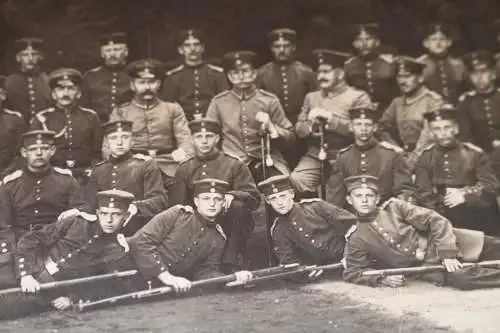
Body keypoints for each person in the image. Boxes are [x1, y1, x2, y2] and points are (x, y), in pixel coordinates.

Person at [343, 174, 500, 291]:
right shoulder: (356, 237)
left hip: (453, 242)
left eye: (369, 195)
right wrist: (382, 279)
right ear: (349, 200)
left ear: (377, 198)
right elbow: (354, 271)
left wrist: (447, 254)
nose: (364, 200)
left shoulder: (395, 207)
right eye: (358, 196)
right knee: (462, 279)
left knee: (495, 248)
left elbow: (436, 220)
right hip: (432, 267)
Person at [16, 189, 140, 310]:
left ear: (126, 215)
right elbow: (30, 239)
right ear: (97, 213)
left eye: (116, 214)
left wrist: (73, 298)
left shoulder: (117, 250)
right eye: (104, 213)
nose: (109, 220)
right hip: (27, 270)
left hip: (56, 292)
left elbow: (106, 285)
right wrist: (26, 274)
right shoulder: (76, 222)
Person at [129, 178, 253, 292]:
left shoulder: (218, 237)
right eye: (206, 198)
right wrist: (167, 277)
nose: (212, 204)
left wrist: (230, 279)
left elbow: (205, 271)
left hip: (157, 288)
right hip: (129, 271)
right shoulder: (177, 214)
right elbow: (140, 241)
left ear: (223, 203)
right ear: (196, 201)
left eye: (217, 199)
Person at [169, 118, 260, 270]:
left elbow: (254, 197)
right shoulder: (185, 168)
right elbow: (177, 204)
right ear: (192, 139)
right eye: (199, 137)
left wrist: (234, 195)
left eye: (209, 136)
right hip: (196, 223)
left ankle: (230, 261)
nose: (204, 141)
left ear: (217, 138)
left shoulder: (233, 164)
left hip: (227, 222)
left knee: (238, 207)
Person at [0, 130, 86, 287]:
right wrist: (16, 253)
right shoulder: (10, 184)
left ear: (52, 151)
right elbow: (4, 226)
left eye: (44, 148)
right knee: (6, 280)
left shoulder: (66, 180)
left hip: (54, 240)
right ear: (24, 152)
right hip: (20, 240)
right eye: (33, 149)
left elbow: (80, 212)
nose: (39, 153)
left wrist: (76, 212)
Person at [291, 49, 372, 198]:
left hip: (347, 154)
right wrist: (310, 124)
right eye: (319, 72)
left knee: (344, 191)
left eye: (326, 71)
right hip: (316, 154)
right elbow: (299, 130)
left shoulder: (358, 97)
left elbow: (361, 130)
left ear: (340, 74)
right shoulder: (311, 97)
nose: (321, 76)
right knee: (298, 179)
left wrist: (330, 118)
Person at [206, 51, 294, 183]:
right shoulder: (218, 102)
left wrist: (272, 127)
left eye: (245, 71)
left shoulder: (269, 100)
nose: (240, 76)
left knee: (281, 189)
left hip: (266, 161)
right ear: (229, 76)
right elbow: (208, 135)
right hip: (230, 163)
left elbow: (290, 137)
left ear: (255, 73)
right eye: (235, 72)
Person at [414, 105, 500, 235]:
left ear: (455, 129)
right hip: (443, 215)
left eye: (447, 127)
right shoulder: (426, 157)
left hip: (476, 214)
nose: (443, 133)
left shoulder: (474, 154)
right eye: (437, 128)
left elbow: (491, 185)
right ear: (431, 133)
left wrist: (465, 194)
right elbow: (423, 193)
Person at [109, 59, 194, 189]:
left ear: (159, 84)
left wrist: (183, 155)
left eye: (152, 82)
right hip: (132, 164)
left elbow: (185, 139)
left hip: (168, 164)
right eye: (142, 82)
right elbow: (110, 145)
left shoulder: (172, 108)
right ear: (132, 85)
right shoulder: (121, 111)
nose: (147, 87)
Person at [85, 120, 168, 235]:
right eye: (113, 138)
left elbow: (160, 201)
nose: (119, 142)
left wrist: (137, 207)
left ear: (132, 141)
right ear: (107, 143)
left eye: (125, 137)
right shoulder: (99, 169)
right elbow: (90, 203)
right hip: (104, 230)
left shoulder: (146, 165)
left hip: (137, 229)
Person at [258, 175, 357, 270]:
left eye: (282, 196)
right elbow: (290, 263)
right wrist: (305, 273)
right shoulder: (278, 230)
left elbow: (354, 226)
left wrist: (350, 254)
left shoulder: (317, 207)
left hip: (354, 259)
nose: (279, 202)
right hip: (325, 273)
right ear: (267, 201)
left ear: (292, 194)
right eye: (273, 198)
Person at [328, 105, 414, 207]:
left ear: (375, 127)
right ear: (351, 127)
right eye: (358, 124)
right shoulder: (343, 157)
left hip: (385, 213)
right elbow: (336, 196)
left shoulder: (391, 155)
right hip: (352, 216)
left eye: (368, 124)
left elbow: (403, 191)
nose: (363, 128)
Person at [30, 68, 102, 184]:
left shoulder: (90, 117)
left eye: (71, 88)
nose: (65, 93)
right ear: (53, 94)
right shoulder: (42, 118)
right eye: (60, 88)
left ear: (78, 93)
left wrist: (92, 170)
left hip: (85, 174)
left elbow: (97, 151)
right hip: (51, 175)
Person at [257, 28, 316, 169]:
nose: (282, 50)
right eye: (277, 46)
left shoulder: (306, 72)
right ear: (272, 49)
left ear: (293, 48)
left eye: (286, 46)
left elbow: (315, 98)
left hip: (301, 126)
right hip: (275, 126)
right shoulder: (262, 73)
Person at [378, 56, 444, 170]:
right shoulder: (397, 103)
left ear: (420, 78)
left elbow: (430, 134)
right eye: (399, 76)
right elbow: (381, 128)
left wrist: (414, 158)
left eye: (407, 76)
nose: (403, 81)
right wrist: (395, 149)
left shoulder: (433, 100)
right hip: (404, 157)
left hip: (431, 157)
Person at [161, 29, 229, 121]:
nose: (192, 49)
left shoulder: (217, 74)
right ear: (180, 50)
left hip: (213, 123)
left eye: (196, 44)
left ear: (202, 48)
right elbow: (168, 107)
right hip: (182, 125)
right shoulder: (173, 77)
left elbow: (225, 103)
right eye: (187, 45)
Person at [456, 50, 500, 179]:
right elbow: (464, 136)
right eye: (474, 73)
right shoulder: (465, 102)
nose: (479, 77)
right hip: (481, 157)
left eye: (484, 72)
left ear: (493, 74)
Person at [344, 23, 398, 120]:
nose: (364, 44)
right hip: (358, 115)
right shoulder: (349, 66)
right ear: (354, 44)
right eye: (359, 40)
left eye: (368, 39)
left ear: (377, 42)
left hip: (387, 113)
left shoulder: (389, 64)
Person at [81, 32, 133, 123]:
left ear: (126, 52)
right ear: (102, 54)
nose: (112, 54)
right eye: (108, 50)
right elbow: (83, 108)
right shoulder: (91, 77)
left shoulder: (133, 75)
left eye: (117, 50)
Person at [417, 23, 467, 105]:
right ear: (426, 43)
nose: (438, 43)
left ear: (449, 42)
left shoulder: (459, 64)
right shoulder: (419, 65)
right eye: (433, 39)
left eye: (442, 39)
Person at [4, 37, 52, 124]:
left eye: (34, 54)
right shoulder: (9, 82)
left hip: (44, 127)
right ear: (18, 58)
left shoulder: (47, 80)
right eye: (25, 55)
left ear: (40, 56)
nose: (30, 58)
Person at [0, 75, 26, 177]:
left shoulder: (15, 120)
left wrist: (5, 177)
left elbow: (19, 154)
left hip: (8, 176)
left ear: (3, 95)